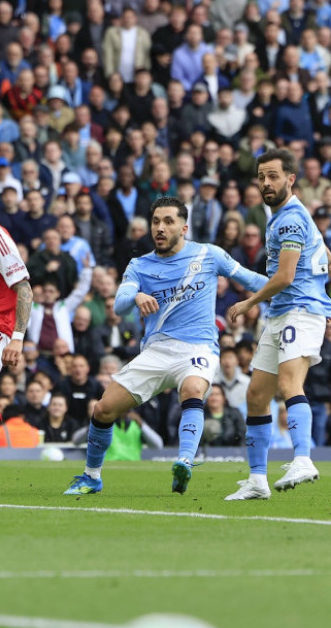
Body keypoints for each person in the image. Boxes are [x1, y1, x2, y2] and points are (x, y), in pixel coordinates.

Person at [64, 197, 266, 496]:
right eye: (156, 221)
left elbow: (252, 279)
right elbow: (119, 305)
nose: (160, 227)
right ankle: (92, 476)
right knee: (104, 410)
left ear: (184, 227)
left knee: (193, 389)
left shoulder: (209, 255)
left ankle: (184, 461)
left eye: (168, 221)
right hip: (156, 351)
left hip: (198, 349)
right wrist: (136, 297)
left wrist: (291, 283)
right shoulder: (140, 265)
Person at [225, 149, 331, 500]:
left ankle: (303, 458)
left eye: (273, 176)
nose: (266, 183)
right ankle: (257, 480)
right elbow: (325, 255)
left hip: (298, 310)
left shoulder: (287, 219)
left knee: (289, 383)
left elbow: (285, 276)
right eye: (261, 177)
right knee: (256, 396)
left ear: (291, 179)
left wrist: (248, 301)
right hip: (284, 312)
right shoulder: (292, 215)